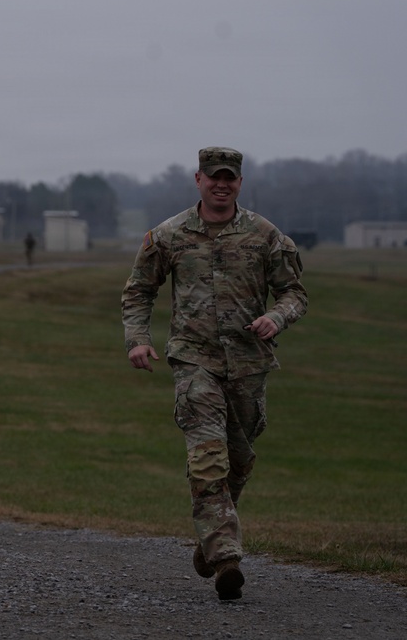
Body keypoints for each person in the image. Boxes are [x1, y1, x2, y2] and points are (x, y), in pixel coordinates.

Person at [121, 147, 307, 601]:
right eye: (213, 177)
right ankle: (226, 557)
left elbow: (294, 293)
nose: (221, 184)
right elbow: (139, 291)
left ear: (239, 183)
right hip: (194, 361)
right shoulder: (169, 235)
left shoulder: (265, 235)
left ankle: (209, 538)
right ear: (198, 180)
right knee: (208, 458)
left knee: (238, 461)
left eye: (229, 178)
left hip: (248, 364)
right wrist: (137, 339)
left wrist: (277, 317)